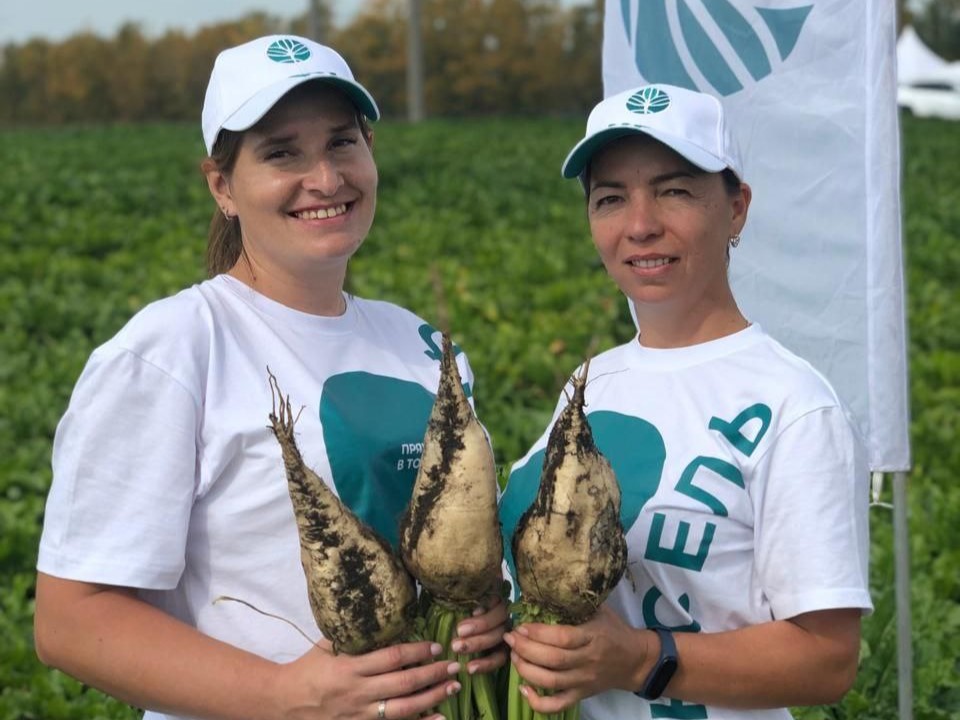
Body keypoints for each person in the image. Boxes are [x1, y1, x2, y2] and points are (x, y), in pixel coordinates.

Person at [34, 34, 507, 720]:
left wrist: (485, 613)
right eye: (282, 152)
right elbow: (71, 623)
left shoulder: (421, 346)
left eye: (342, 142)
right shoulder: (171, 351)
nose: (324, 178)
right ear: (222, 185)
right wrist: (284, 696)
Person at [499, 84, 872, 720]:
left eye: (674, 190)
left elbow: (826, 660)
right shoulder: (591, 383)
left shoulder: (793, 405)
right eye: (610, 197)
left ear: (736, 208)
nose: (640, 224)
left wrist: (642, 659)